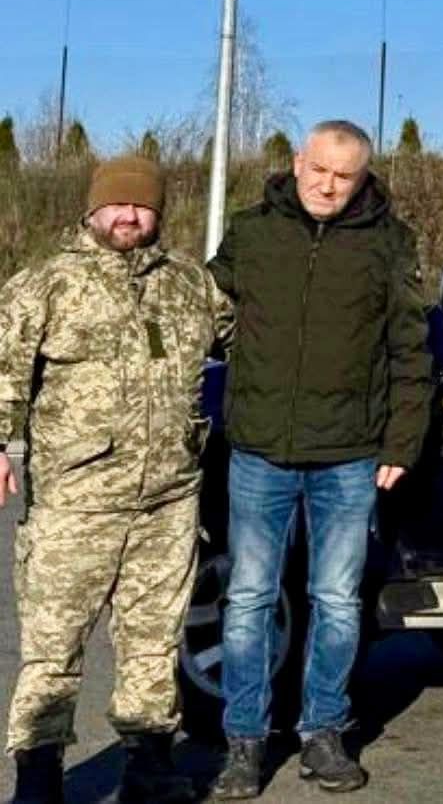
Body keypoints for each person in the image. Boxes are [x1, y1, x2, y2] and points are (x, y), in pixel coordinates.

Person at [207, 120, 432, 799]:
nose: (329, 186)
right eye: (320, 170)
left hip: (349, 455)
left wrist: (402, 441)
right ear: (297, 161)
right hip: (259, 450)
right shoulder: (250, 234)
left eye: (344, 176)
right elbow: (203, 319)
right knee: (249, 597)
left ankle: (324, 731)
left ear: (362, 178)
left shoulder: (389, 243)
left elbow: (411, 351)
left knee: (336, 599)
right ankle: (244, 740)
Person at [0, 156, 234, 804]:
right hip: (75, 501)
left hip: (168, 500)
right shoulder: (46, 284)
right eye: (118, 204)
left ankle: (150, 764)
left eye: (143, 206)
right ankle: (38, 776)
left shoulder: (190, 283)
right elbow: (2, 367)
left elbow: (249, 346)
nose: (129, 216)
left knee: (152, 642)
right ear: (93, 208)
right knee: (53, 647)